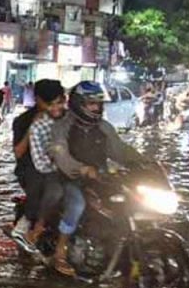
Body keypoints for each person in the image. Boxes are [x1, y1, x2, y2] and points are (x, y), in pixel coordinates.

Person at [46, 81, 147, 276]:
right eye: (92, 103)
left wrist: (148, 162)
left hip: (100, 178)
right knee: (77, 205)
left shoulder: (104, 127)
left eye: (99, 104)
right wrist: (82, 169)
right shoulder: (62, 126)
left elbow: (121, 151)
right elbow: (61, 157)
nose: (97, 108)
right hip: (68, 178)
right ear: (78, 103)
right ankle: (60, 252)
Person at [10, 79, 66, 252]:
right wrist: (32, 128)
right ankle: (26, 226)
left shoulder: (66, 117)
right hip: (31, 169)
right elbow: (18, 152)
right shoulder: (23, 120)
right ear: (38, 100)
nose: (53, 106)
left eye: (58, 101)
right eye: (48, 102)